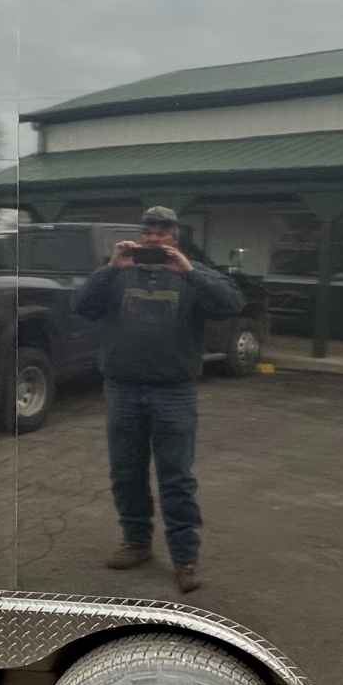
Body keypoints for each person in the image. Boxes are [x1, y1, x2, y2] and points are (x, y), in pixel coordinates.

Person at [72, 206, 243, 593]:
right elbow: (80, 306)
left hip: (174, 392)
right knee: (126, 473)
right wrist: (111, 267)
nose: (154, 237)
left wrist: (189, 272)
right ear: (141, 235)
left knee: (176, 478)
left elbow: (232, 304)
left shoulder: (192, 272)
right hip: (123, 390)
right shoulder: (117, 272)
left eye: (162, 231)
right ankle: (136, 543)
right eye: (148, 231)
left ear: (175, 236)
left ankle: (185, 559)